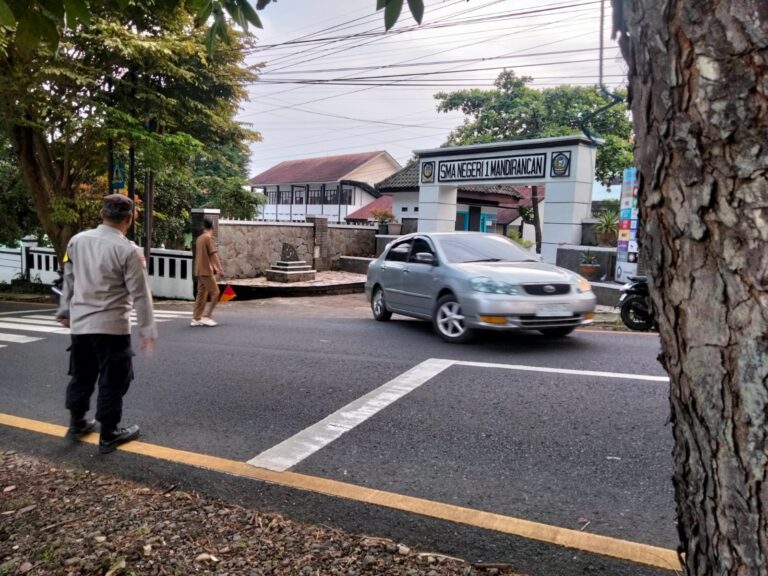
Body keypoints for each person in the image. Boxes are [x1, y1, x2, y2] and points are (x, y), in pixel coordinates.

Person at [56, 194, 157, 454]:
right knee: (113, 380)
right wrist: (147, 331)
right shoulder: (128, 250)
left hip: (80, 326)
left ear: (102, 214)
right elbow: (141, 295)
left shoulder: (76, 241)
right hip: (111, 327)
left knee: (81, 375)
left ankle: (77, 423)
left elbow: (68, 278)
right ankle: (109, 432)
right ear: (130, 218)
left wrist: (65, 312)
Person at [191, 217, 223, 327]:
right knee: (215, 292)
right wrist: (220, 268)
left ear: (204, 226)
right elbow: (213, 255)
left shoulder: (199, 238)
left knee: (201, 294)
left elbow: (206, 255)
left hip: (199, 270)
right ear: (212, 227)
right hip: (206, 271)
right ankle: (207, 316)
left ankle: (196, 318)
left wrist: (215, 267)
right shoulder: (208, 238)